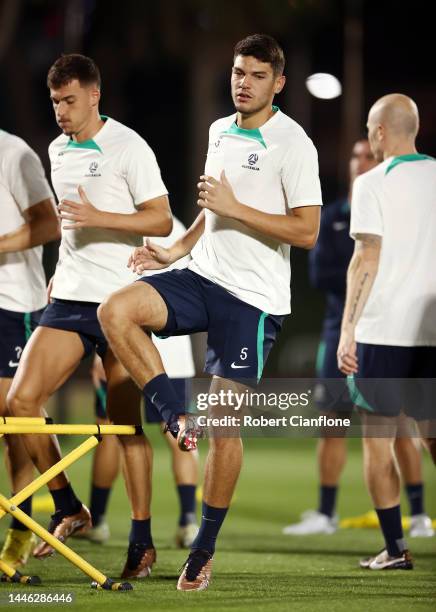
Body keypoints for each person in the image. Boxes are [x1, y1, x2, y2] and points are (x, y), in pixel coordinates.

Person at [98, 34, 322, 591]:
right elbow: (209, 212)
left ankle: (203, 548)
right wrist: (176, 249)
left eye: (255, 75)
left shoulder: (293, 143)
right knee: (116, 309)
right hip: (203, 277)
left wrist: (236, 208)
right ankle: (175, 413)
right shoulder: (219, 131)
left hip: (253, 301)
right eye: (237, 72)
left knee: (225, 426)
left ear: (279, 83)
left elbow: (309, 230)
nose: (242, 82)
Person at [7, 53, 172, 579]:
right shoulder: (56, 149)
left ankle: (141, 544)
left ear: (94, 95)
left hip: (122, 303)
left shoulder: (129, 146)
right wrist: (60, 268)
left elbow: (162, 218)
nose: (61, 111)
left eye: (70, 101)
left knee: (125, 427)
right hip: (72, 297)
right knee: (21, 401)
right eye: (55, 101)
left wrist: (102, 218)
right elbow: (69, 225)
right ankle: (67, 506)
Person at [283, 140, 433, 538]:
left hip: (390, 331)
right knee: (334, 422)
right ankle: (326, 512)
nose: (362, 161)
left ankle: (416, 517)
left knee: (402, 427)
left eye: (370, 154)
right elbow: (321, 274)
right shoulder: (333, 216)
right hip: (342, 329)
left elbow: (375, 261)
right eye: (356, 156)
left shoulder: (394, 204)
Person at [337, 93, 436, 570]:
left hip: (384, 331)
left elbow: (366, 258)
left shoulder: (372, 182)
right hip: (431, 329)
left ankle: (396, 549)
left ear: (378, 132)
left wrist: (346, 329)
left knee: (377, 442)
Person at [81, 217, 199, 548]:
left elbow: (113, 295)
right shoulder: (180, 228)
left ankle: (99, 521)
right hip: (175, 352)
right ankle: (188, 522)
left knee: (112, 430)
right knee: (177, 431)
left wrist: (98, 353)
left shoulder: (120, 226)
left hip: (128, 351)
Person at [0, 130, 60, 568]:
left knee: (14, 418)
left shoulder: (14, 152)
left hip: (12, 302)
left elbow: (48, 224)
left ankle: (21, 527)